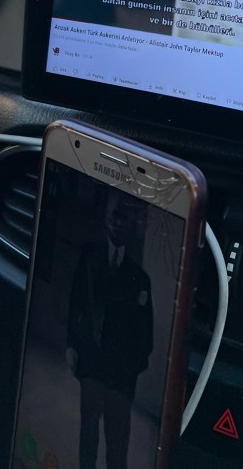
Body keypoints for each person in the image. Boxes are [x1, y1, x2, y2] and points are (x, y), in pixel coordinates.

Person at [67, 191, 154, 469]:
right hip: (91, 365)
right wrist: (72, 344)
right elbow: (76, 302)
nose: (118, 223)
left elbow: (146, 335)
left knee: (117, 446)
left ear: (131, 226)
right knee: (88, 438)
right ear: (107, 219)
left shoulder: (140, 278)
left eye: (125, 219)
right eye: (115, 216)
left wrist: (129, 370)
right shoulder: (90, 255)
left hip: (120, 378)